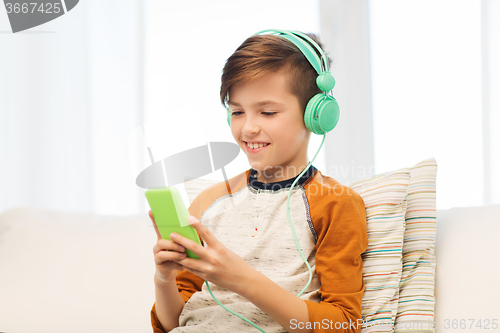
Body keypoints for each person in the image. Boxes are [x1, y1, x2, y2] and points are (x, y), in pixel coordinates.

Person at [149, 30, 368, 333]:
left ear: (315, 115)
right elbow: (172, 323)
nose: (248, 128)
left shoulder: (334, 203)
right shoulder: (208, 203)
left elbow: (341, 324)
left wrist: (242, 280)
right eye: (237, 112)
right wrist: (163, 278)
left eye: (267, 112)